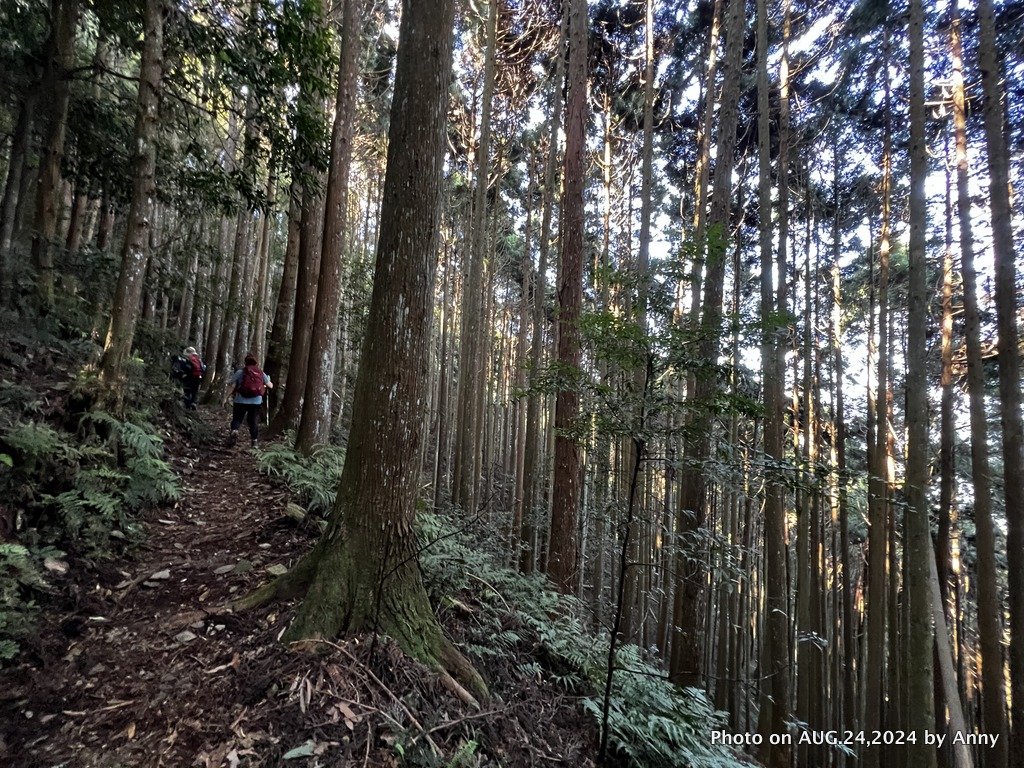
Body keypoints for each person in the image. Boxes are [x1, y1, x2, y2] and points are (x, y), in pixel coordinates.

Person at [228, 353, 272, 448]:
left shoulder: (240, 372)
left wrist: (226, 397)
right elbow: (270, 386)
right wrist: (267, 380)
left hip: (240, 400)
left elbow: (232, 385)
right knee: (253, 421)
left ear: (245, 362)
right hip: (256, 401)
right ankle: (254, 442)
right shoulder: (260, 372)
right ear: (256, 363)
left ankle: (234, 431)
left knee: (237, 418)